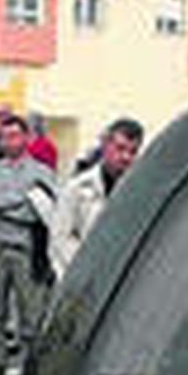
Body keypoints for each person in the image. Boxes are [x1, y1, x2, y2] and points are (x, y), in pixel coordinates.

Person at [0, 113, 56, 375]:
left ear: (27, 138)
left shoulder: (42, 173)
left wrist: (2, 207)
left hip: (25, 248)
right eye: (4, 136)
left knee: (32, 315)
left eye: (14, 135)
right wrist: (19, 199)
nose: (8, 141)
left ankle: (35, 373)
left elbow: (39, 212)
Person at [48, 117, 143, 279]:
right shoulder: (77, 188)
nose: (126, 157)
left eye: (133, 151)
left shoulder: (140, 191)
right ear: (106, 146)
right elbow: (60, 238)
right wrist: (85, 267)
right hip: (79, 276)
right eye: (120, 149)